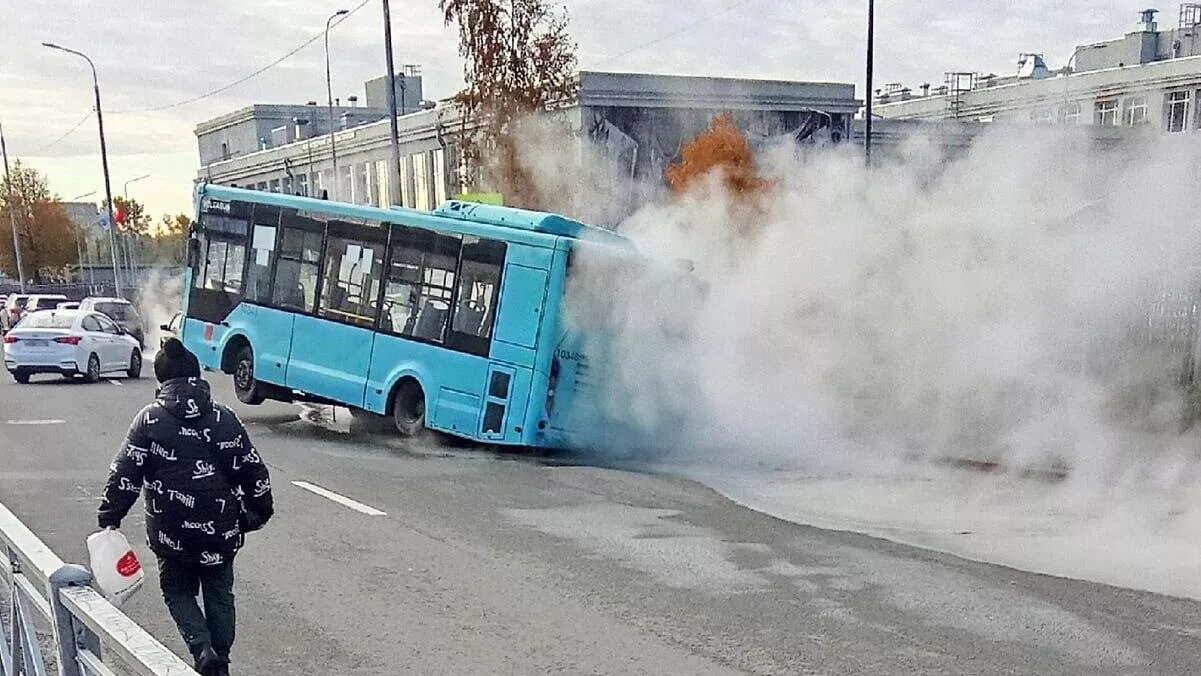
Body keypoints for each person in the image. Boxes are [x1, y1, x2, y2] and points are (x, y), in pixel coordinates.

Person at [97, 338, 273, 676]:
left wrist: (110, 517)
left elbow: (125, 473)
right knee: (220, 593)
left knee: (177, 590)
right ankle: (219, 659)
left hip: (170, 532)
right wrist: (257, 513)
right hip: (221, 530)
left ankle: (202, 649)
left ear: (163, 381)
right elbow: (253, 470)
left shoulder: (148, 420)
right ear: (197, 377)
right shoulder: (225, 418)